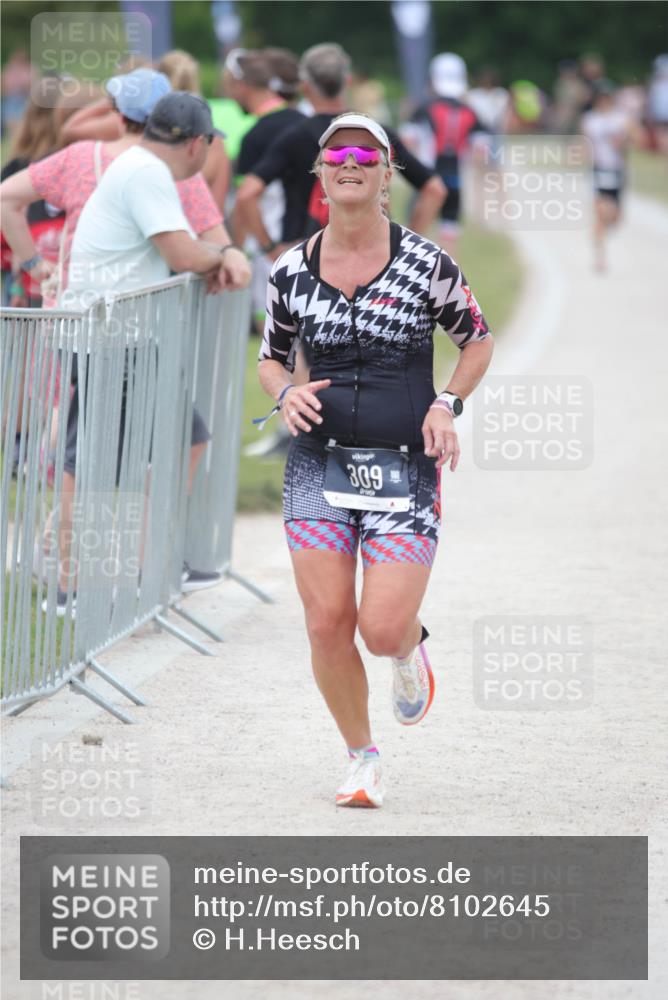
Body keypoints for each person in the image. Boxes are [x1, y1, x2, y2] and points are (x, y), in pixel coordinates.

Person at [258, 113, 493, 807]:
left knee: (380, 627)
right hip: (318, 465)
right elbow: (271, 360)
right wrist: (287, 393)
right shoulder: (289, 271)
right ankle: (362, 757)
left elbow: (475, 340)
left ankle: (408, 642)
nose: (350, 162)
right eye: (337, 154)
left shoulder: (426, 263)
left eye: (366, 153)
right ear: (321, 175)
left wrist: (445, 403)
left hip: (404, 464)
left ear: (387, 173)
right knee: (327, 620)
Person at [0, 70, 240, 595]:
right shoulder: (164, 173)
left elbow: (6, 197)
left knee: (92, 446)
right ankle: (111, 569)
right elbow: (205, 240)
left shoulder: (85, 156)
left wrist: (35, 268)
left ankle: (105, 566)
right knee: (100, 450)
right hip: (115, 326)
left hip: (80, 316)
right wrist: (226, 257)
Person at [235, 43, 446, 255]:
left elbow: (247, 193)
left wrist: (270, 248)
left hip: (308, 254)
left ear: (305, 86)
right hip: (374, 254)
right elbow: (434, 189)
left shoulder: (294, 137)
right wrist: (406, 247)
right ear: (348, 82)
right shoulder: (377, 134)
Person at [224, 48, 304, 332]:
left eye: (231, 88)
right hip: (306, 241)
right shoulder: (301, 121)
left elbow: (245, 200)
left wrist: (241, 249)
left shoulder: (255, 135)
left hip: (269, 246)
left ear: (242, 86)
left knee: (273, 339)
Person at [409, 53, 487, 253]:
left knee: (416, 237)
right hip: (455, 179)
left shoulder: (424, 108)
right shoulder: (471, 112)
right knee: (449, 234)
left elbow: (409, 141)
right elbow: (480, 151)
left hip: (427, 179)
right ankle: (448, 280)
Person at [581, 79, 636, 272]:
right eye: (601, 98)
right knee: (600, 214)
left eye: (607, 98)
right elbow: (583, 144)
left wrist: (624, 142)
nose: (604, 101)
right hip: (598, 170)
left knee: (615, 217)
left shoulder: (621, 118)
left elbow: (636, 139)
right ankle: (600, 257)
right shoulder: (590, 119)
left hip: (617, 170)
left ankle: (605, 228)